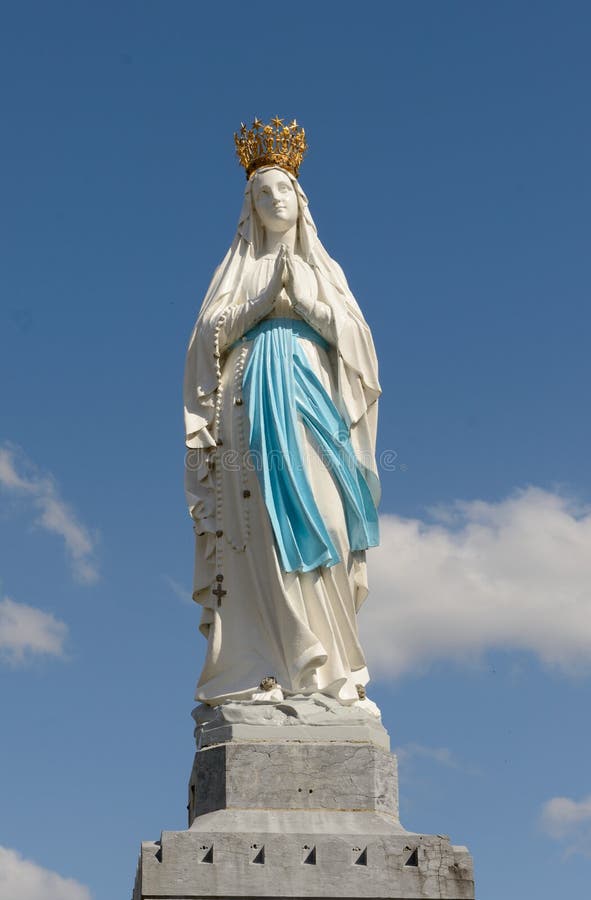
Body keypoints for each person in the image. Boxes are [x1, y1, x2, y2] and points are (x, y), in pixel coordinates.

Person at [184, 120, 381, 709]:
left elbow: (361, 350)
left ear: (301, 200)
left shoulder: (327, 271)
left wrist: (310, 309)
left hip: (311, 397)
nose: (275, 199)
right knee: (261, 527)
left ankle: (330, 670)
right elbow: (203, 345)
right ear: (250, 206)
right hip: (248, 407)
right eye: (262, 191)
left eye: (284, 189)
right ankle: (268, 667)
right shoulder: (237, 270)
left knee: (326, 517)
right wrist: (261, 305)